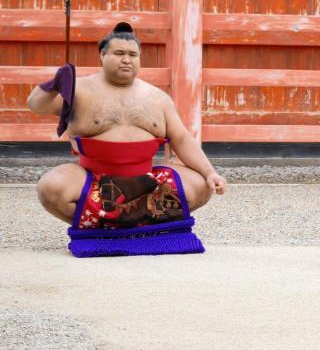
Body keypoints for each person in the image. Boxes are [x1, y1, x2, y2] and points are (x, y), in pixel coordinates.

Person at [28, 23, 226, 255]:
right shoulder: (78, 90)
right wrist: (54, 85)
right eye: (119, 53)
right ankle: (103, 228)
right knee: (51, 187)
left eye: (133, 55)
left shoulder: (158, 98)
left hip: (147, 184)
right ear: (103, 55)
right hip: (93, 183)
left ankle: (131, 226)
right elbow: (36, 106)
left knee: (201, 184)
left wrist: (210, 172)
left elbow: (181, 139)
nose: (126, 60)